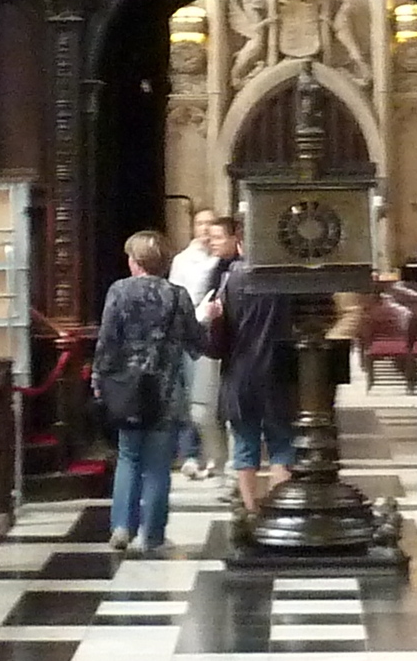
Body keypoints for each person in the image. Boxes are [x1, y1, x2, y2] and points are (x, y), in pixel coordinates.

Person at [91, 230, 201, 558]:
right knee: (157, 464)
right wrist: (209, 320)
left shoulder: (119, 291)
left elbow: (107, 340)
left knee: (128, 455)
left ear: (135, 262)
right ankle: (150, 535)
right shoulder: (177, 295)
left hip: (127, 388)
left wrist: (99, 377)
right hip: (165, 389)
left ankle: (122, 526)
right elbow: (196, 343)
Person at [205, 214, 294, 518]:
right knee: (281, 443)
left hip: (240, 370)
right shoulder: (284, 277)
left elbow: (220, 332)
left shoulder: (232, 278)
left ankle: (251, 510)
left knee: (244, 445)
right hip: (279, 370)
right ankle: (280, 508)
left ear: (242, 242)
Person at [169, 212, 227, 479]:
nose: (205, 229)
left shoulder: (221, 261)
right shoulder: (182, 260)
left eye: (209, 225)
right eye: (200, 224)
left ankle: (214, 453)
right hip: (186, 327)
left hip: (211, 329)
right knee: (186, 394)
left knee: (206, 398)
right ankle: (189, 453)